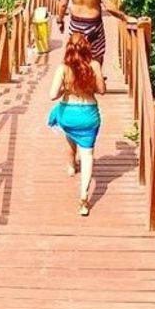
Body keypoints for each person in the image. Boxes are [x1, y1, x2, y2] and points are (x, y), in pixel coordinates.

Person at [48, 33, 105, 216]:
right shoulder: (94, 65)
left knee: (65, 125)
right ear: (87, 48)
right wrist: (91, 84)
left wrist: (67, 87)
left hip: (68, 116)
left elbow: (52, 95)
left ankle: (71, 165)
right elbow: (102, 91)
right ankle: (83, 198)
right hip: (88, 115)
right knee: (87, 155)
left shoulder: (63, 68)